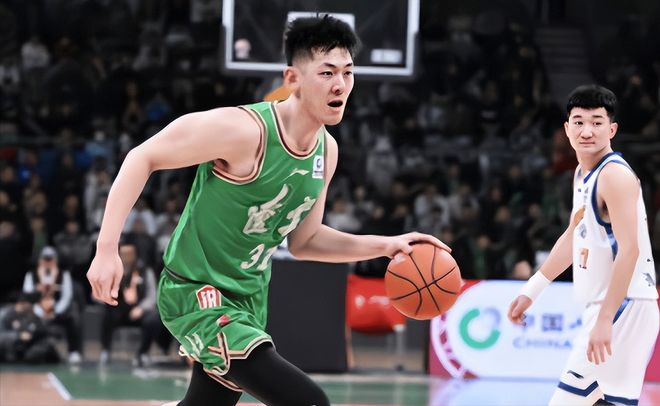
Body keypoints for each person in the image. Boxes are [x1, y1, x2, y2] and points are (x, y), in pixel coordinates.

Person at [87, 15, 448, 406]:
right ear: (292, 78)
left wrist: (387, 245)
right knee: (308, 401)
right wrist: (106, 249)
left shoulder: (326, 151)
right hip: (196, 291)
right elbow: (142, 157)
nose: (340, 84)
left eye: (347, 72)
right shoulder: (244, 130)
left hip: (249, 299)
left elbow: (306, 241)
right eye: (326, 73)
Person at [508, 85, 658, 406]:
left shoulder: (614, 176)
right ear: (567, 129)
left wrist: (605, 318)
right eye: (578, 122)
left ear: (612, 129)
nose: (586, 131)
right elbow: (573, 237)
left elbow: (629, 250)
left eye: (596, 122)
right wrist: (532, 290)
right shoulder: (582, 173)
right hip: (620, 307)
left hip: (623, 306)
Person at [99, 240, 161, 367]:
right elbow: (103, 292)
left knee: (153, 319)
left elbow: (152, 296)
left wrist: (141, 308)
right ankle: (105, 351)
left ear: (135, 255)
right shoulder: (113, 270)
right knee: (107, 314)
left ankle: (142, 353)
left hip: (138, 310)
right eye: (123, 254)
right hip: (119, 308)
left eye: (129, 254)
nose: (126, 257)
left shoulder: (145, 271)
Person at [23, 246, 84, 364]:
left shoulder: (63, 275)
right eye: (45, 259)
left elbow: (66, 297)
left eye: (50, 259)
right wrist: (41, 311)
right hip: (37, 311)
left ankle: (73, 351)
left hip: (57, 312)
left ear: (55, 260)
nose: (48, 262)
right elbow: (28, 296)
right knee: (27, 317)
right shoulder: (31, 275)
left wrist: (55, 310)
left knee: (73, 318)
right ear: (40, 260)